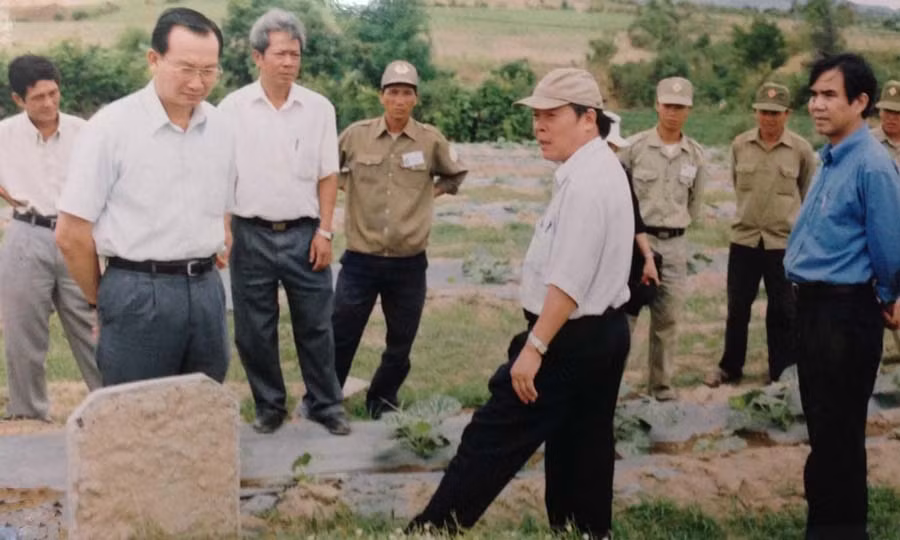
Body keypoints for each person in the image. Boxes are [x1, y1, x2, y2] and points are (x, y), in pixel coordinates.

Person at [407, 68, 633, 539]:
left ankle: (431, 531)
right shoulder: (597, 168)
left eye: (551, 115)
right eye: (536, 116)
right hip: (601, 335)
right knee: (580, 445)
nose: (539, 126)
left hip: (567, 337)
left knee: (491, 436)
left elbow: (569, 281)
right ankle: (583, 531)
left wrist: (535, 346)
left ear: (588, 119)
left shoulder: (589, 183)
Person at [55, 7, 234, 386]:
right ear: (154, 59)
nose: (198, 83)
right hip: (137, 291)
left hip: (206, 291)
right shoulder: (110, 128)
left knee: (203, 413)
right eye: (186, 68)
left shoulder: (221, 126)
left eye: (209, 70)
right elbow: (71, 233)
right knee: (135, 420)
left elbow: (223, 205)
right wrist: (100, 300)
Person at [218, 8, 350, 436]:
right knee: (254, 329)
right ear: (258, 57)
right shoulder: (232, 109)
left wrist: (326, 231)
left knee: (316, 324)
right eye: (280, 54)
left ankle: (326, 404)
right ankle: (270, 405)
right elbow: (222, 175)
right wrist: (224, 230)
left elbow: (328, 174)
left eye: (295, 54)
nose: (289, 62)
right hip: (249, 234)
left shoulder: (319, 109)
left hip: (304, 234)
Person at [786, 52, 900, 539]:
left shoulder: (872, 166)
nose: (817, 104)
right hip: (813, 310)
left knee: (837, 437)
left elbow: (890, 249)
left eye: (830, 95)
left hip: (844, 313)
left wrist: (888, 296)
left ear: (861, 101)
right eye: (813, 94)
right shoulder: (831, 158)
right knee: (827, 435)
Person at [332, 60, 467, 418]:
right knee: (341, 333)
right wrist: (351, 187)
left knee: (400, 341)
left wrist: (425, 196)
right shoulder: (356, 135)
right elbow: (327, 171)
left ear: (415, 99)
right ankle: (326, 399)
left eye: (406, 93)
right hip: (361, 259)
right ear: (381, 97)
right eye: (392, 92)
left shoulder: (430, 140)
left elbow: (455, 175)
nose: (399, 100)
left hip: (408, 263)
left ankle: (381, 399)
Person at [0, 55, 101, 421]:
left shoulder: (85, 132)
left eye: (53, 93)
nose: (48, 103)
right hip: (26, 234)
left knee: (92, 326)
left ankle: (111, 404)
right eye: (37, 97)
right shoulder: (5, 134)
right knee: (23, 332)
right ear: (18, 100)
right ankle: (28, 414)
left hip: (75, 235)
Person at [705, 83, 816, 387]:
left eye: (776, 113)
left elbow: (807, 195)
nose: (769, 119)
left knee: (783, 310)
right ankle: (730, 367)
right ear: (755, 112)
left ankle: (780, 370)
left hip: (783, 244)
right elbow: (734, 181)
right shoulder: (740, 145)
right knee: (737, 307)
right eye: (764, 112)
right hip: (745, 240)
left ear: (787, 114)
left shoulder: (801, 149)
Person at [618, 76, 708, 401]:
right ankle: (610, 387)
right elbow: (620, 196)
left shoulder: (695, 155)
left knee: (667, 320)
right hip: (635, 245)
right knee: (624, 319)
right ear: (657, 105)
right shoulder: (634, 149)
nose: (673, 112)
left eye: (680, 107)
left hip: (675, 246)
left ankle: (661, 388)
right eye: (668, 105)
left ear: (689, 110)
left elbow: (695, 204)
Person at [605, 111, 660, 317]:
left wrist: (648, 258)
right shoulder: (574, 175)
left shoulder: (620, 174)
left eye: (613, 147)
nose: (611, 151)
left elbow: (635, 220)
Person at [870, 79, 900, 354]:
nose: (891, 117)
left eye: (897, 112)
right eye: (886, 111)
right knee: (867, 333)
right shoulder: (866, 145)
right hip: (875, 246)